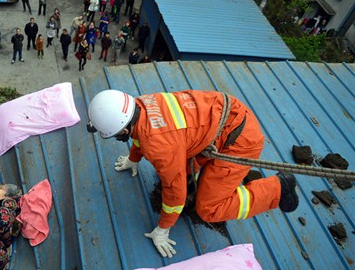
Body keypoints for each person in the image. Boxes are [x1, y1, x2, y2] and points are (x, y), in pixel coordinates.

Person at [86, 89, 299, 258]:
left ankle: (278, 189)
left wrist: (163, 228)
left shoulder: (160, 146)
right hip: (222, 117)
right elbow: (141, 134)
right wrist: (133, 160)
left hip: (239, 140)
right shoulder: (140, 104)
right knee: (187, 166)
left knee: (208, 209)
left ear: (122, 130)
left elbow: (175, 194)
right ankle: (201, 175)